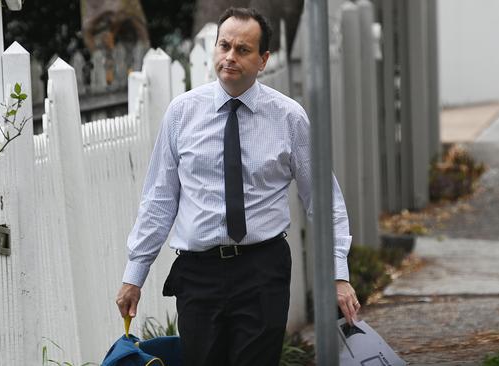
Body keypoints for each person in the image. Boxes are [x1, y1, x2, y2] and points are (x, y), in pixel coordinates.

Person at [116, 7, 360, 365]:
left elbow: (322, 202)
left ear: (263, 60)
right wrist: (134, 275)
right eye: (224, 46)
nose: (230, 57)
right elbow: (159, 199)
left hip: (262, 270)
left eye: (243, 50)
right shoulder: (181, 114)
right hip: (198, 274)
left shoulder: (289, 117)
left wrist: (339, 275)